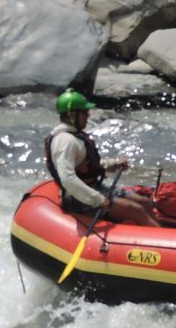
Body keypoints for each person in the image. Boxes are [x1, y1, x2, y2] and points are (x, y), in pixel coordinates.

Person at [45, 89, 160, 226]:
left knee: (144, 202)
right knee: (136, 210)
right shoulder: (65, 141)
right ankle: (166, 242)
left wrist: (113, 164)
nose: (87, 116)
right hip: (78, 198)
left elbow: (87, 165)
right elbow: (67, 179)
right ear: (72, 114)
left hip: (95, 187)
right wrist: (98, 199)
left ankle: (164, 231)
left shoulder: (75, 136)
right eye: (84, 113)